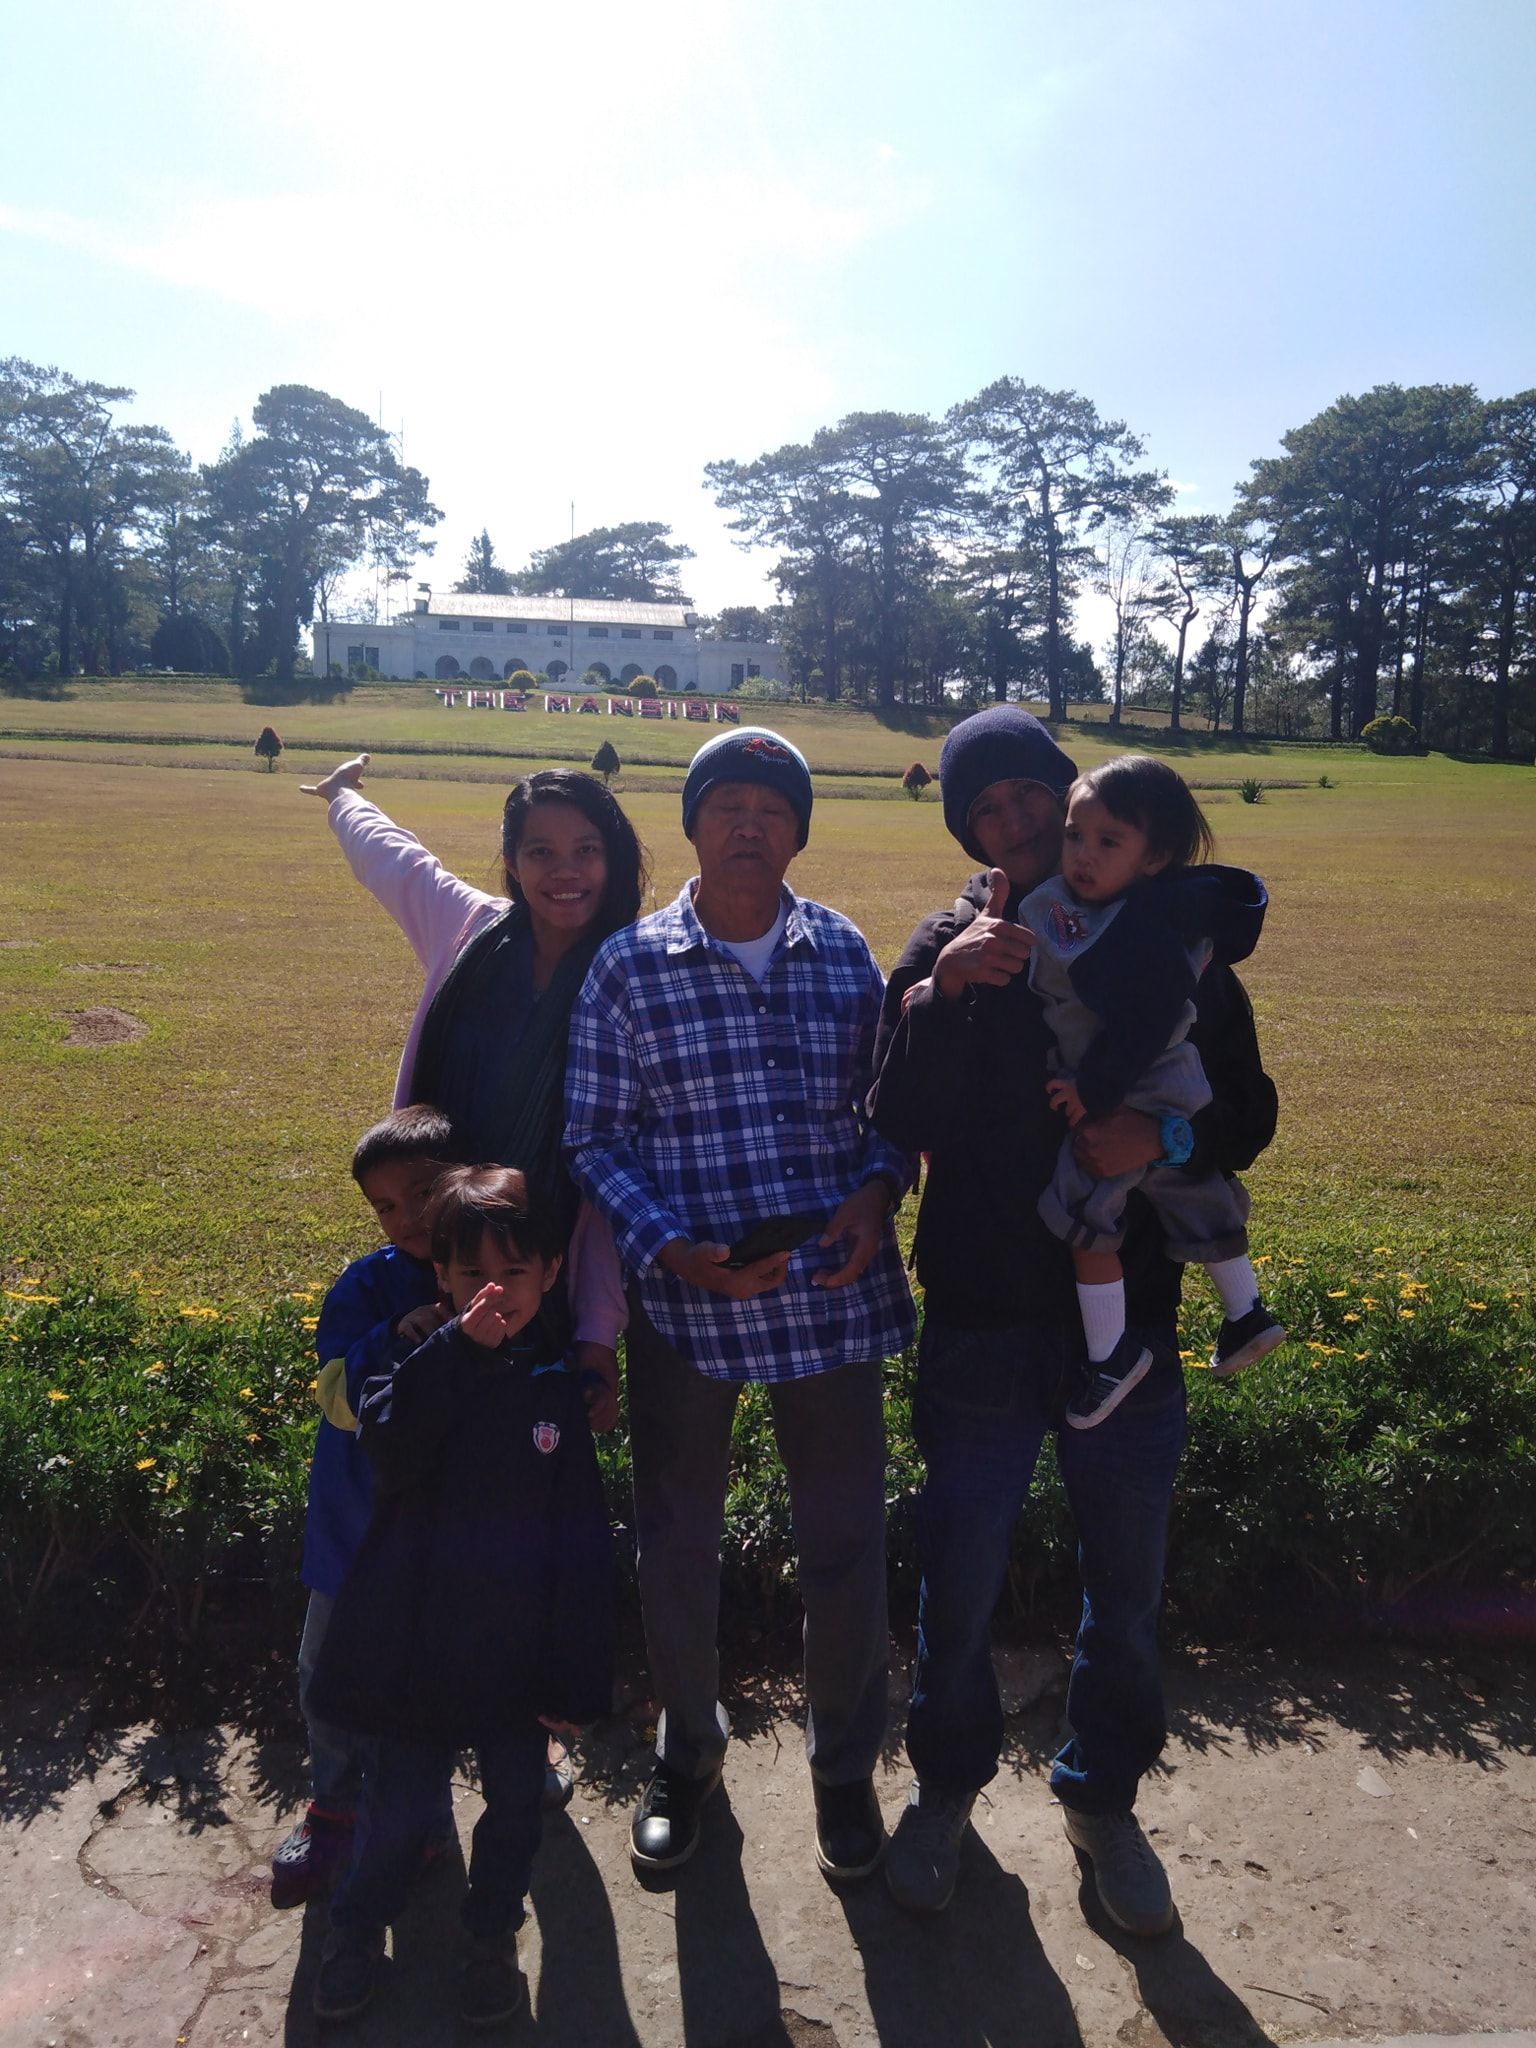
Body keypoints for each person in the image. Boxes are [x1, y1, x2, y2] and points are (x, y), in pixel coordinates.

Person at [868, 704, 1277, 1933]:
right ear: (966, 827)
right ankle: (944, 1791)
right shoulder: (951, 941)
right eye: (984, 808)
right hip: (984, 1314)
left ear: (1077, 799)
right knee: (961, 1571)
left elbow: (1248, 1110)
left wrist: (1165, 1129)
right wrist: (940, 993)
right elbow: (893, 1110)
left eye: (1032, 797)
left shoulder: (1172, 939)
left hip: (1131, 1316)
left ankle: (1103, 1798)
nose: (1017, 822)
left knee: (1128, 1584)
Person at [565, 727, 916, 1879]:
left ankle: (842, 1769)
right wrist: (675, 1249)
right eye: (728, 806)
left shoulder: (842, 953)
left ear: (800, 830)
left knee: (846, 1545)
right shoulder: (631, 965)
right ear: (693, 825)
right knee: (677, 1541)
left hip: (829, 1300)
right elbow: (596, 1138)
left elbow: (885, 1110)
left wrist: (875, 1188)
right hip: (692, 1309)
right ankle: (688, 1753)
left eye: (773, 807)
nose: (750, 826)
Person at [300, 753, 642, 1804]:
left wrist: (592, 1337)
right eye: (540, 849)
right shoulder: (465, 929)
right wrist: (343, 794)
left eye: (587, 848)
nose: (564, 870)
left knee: (509, 1541)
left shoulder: (639, 969)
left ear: (618, 859)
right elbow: (390, 859)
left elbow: (612, 1174)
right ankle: (351, 1781)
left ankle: (507, 1749)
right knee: (384, 1524)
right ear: (510, 859)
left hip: (533, 1297)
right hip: (427, 1276)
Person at [307, 1165, 615, 2027]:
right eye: (472, 1274)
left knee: (516, 1809)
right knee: (399, 1812)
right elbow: (391, 1446)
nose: (493, 1293)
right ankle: (358, 1925)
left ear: (550, 1273)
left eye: (514, 1274)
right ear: (440, 1274)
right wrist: (450, 1349)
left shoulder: (552, 1391)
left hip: (515, 1664)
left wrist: (575, 1679)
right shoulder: (412, 1362)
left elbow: (581, 1548)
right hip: (416, 1655)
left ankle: (491, 1935)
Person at [1020, 753, 1284, 1427]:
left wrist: (1095, 1092)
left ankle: (1111, 1355)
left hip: (1135, 1088)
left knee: (1083, 1211)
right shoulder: (1145, 914)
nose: (1082, 855)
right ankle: (1245, 1313)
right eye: (1076, 835)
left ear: (1156, 856)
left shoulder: (1136, 928)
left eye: (1109, 842)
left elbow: (1151, 1015)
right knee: (1196, 1194)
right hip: (1175, 1088)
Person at [270, 1106, 463, 1910]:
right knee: (327, 1676)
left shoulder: (490, 1274)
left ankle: (423, 1815)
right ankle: (334, 1807)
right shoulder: (364, 1285)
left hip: (441, 1543)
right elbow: (337, 1400)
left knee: (429, 1681)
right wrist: (394, 1338)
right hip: (353, 1532)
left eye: (421, 1193)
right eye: (385, 1206)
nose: (407, 1217)